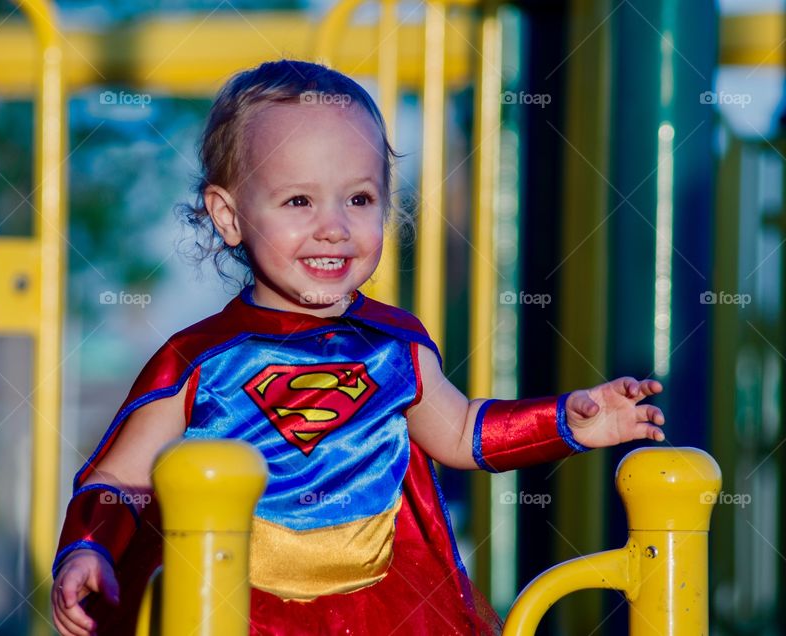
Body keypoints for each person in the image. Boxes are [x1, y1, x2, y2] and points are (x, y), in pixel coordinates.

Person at [50, 59, 666, 636]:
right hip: (241, 603)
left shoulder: (393, 344)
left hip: (382, 599)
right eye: (299, 201)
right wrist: (88, 545)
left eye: (360, 198)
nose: (335, 226)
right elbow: (119, 477)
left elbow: (461, 434)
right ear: (229, 215)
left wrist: (567, 421)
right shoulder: (201, 357)